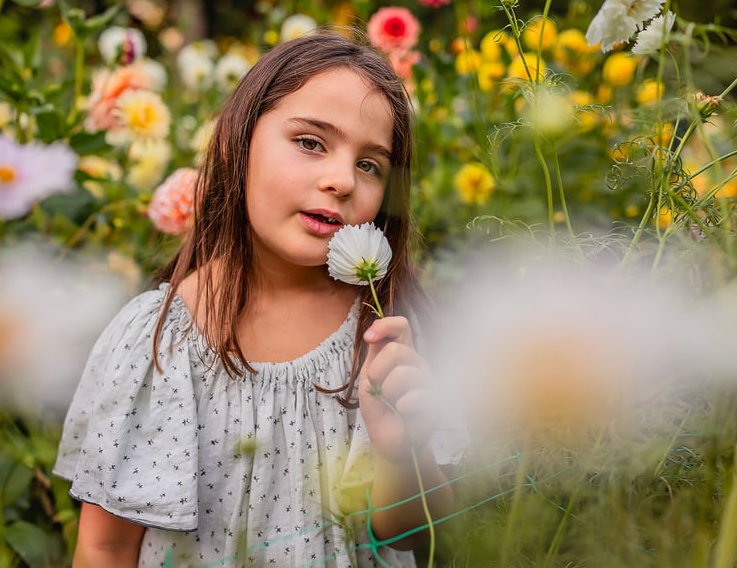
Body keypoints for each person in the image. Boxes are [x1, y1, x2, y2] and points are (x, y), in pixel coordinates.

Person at [54, 31, 455, 567]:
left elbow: (416, 535)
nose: (340, 180)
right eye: (311, 142)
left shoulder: (385, 335)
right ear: (236, 142)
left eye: (369, 165)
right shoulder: (156, 341)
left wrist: (400, 450)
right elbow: (104, 548)